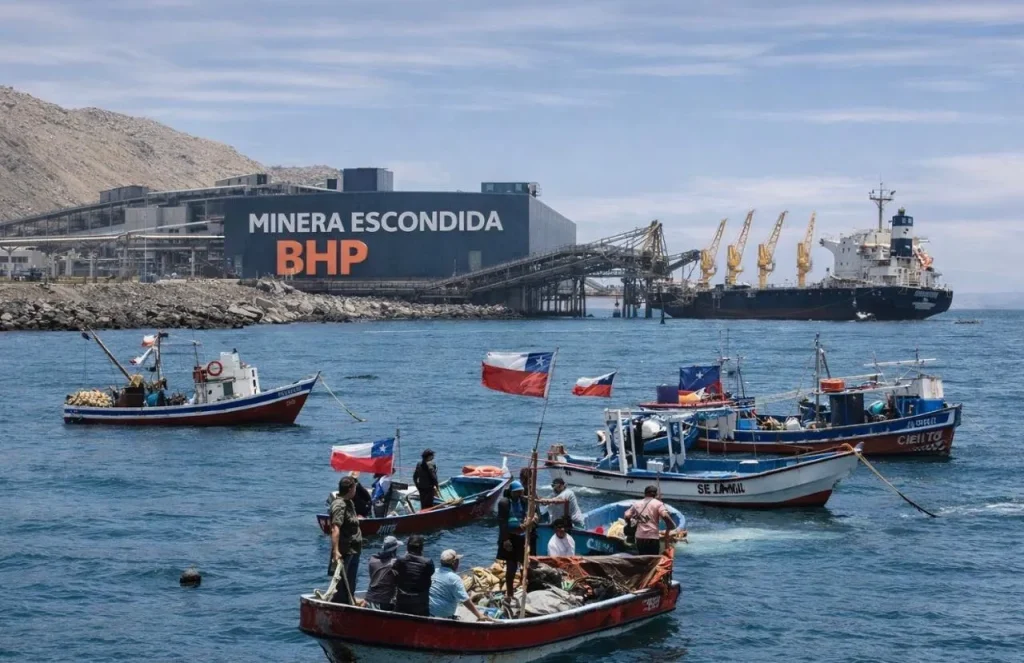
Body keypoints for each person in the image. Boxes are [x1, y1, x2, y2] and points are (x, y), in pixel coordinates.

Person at [496, 480, 536, 602]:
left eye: (520, 492)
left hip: (522, 537)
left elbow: (531, 513)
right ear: (511, 493)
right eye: (516, 492)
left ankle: (526, 589)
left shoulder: (524, 501)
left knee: (525, 565)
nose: (519, 494)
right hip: (510, 538)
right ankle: (509, 593)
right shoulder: (504, 503)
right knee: (511, 567)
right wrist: (505, 540)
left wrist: (530, 520)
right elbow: (502, 523)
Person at [429, 549, 491, 621]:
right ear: (454, 563)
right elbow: (465, 600)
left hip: (430, 611)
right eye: (458, 560)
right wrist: (479, 615)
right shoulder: (455, 578)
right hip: (444, 615)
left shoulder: (433, 572)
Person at [329, 476, 363, 604]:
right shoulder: (339, 505)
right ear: (350, 489)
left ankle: (350, 599)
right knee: (342, 581)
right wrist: (336, 551)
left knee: (351, 579)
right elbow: (335, 528)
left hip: (354, 548)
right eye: (354, 487)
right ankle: (341, 603)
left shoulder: (350, 503)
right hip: (346, 549)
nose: (356, 490)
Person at [624, 485, 676, 556]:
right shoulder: (658, 504)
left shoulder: (636, 504)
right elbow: (665, 515)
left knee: (642, 558)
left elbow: (627, 516)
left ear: (645, 493)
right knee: (653, 560)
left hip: (640, 537)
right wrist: (671, 525)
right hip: (652, 537)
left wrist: (629, 524)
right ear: (655, 494)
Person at [393, 534, 434, 616]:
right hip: (420, 604)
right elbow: (430, 573)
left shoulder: (400, 560)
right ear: (422, 548)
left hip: (402, 601)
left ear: (407, 548)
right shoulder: (428, 562)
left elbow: (395, 573)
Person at [365, 536, 402, 611]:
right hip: (385, 603)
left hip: (369, 600)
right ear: (394, 550)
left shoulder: (372, 560)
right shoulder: (395, 563)